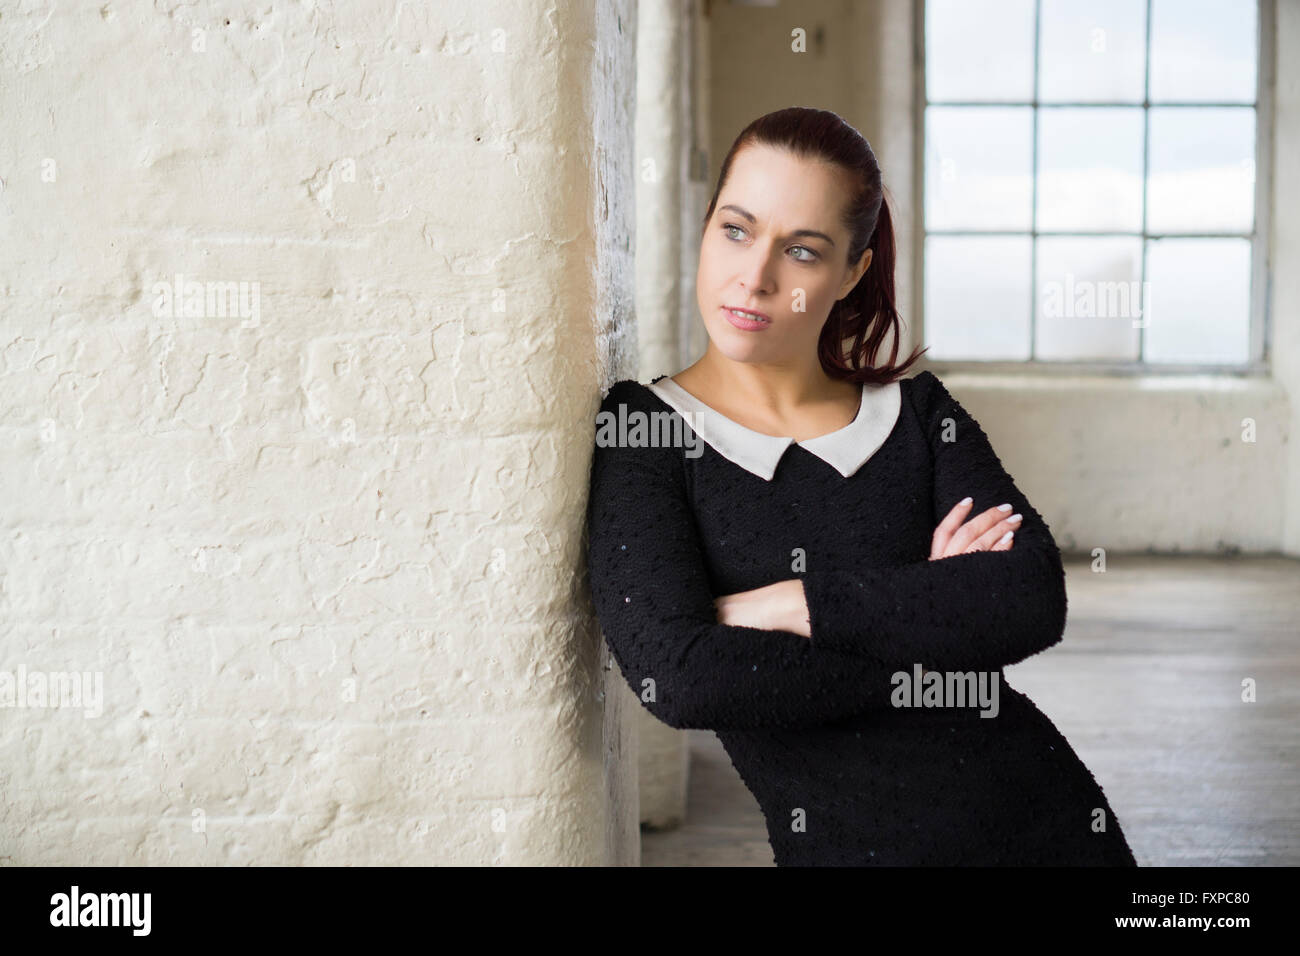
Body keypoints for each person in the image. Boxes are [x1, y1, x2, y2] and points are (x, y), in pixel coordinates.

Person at [586, 107, 1137, 866]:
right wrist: (930, 615)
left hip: (1050, 831)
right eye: (736, 230)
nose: (755, 276)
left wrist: (795, 606)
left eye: (802, 251)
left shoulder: (919, 415)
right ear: (705, 227)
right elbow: (679, 676)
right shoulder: (645, 431)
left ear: (851, 271)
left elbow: (1029, 598)